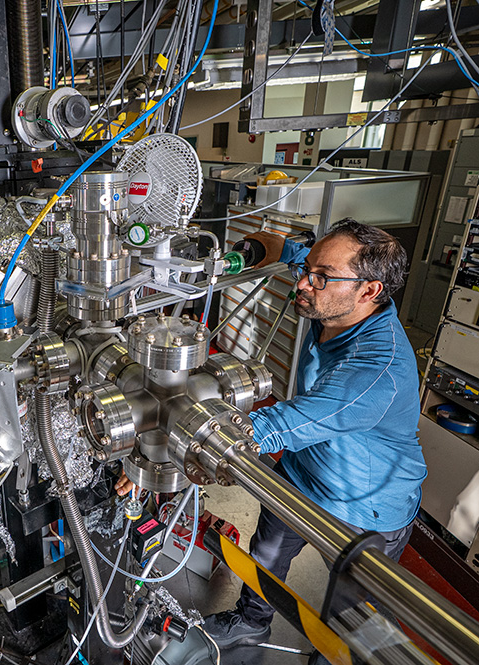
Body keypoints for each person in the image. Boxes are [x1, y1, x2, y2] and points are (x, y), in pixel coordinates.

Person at [115, 219, 427, 649]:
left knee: (351, 614)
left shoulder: (376, 372)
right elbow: (281, 246)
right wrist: (238, 257)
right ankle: (252, 621)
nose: (304, 282)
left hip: (365, 505)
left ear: (369, 291)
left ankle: (339, 656)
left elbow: (275, 427)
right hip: (303, 472)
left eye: (321, 277)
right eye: (310, 268)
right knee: (263, 559)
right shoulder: (335, 292)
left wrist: (156, 454)